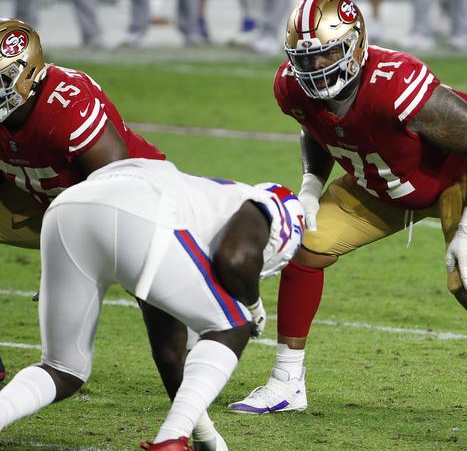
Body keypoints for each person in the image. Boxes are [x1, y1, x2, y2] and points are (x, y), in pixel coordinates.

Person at [228, 0, 467, 429]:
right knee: (304, 247)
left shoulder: (394, 82)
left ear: (355, 45)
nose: (316, 68)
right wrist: (310, 188)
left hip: (457, 179)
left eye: (328, 54)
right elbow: (315, 127)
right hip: (383, 183)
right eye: (307, 57)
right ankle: (286, 382)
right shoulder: (289, 85)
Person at [0, 19, 219, 450]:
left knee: (171, 355)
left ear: (29, 74)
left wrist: (60, 264)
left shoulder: (66, 103)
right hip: (54, 206)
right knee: (65, 366)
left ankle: (207, 436)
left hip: (137, 212)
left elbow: (113, 188)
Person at [0, 158, 305, 451]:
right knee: (233, 325)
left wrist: (205, 434)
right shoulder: (266, 206)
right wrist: (252, 306)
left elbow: (170, 353)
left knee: (62, 369)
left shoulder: (196, 211)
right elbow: (236, 259)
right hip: (137, 210)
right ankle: (170, 441)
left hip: (68, 209)